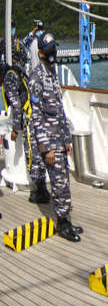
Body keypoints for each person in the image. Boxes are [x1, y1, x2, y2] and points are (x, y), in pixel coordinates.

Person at [28, 32, 82, 241]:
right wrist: (46, 147)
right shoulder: (36, 78)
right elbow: (36, 116)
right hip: (49, 142)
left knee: (63, 182)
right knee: (59, 184)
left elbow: (59, 110)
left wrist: (67, 139)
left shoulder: (52, 74)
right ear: (41, 53)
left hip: (59, 139)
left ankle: (65, 219)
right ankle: (63, 224)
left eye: (54, 50)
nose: (53, 54)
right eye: (49, 51)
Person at [4, 41, 47, 203]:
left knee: (33, 155)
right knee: (38, 152)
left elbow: (16, 105)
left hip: (29, 119)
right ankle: (42, 186)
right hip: (36, 115)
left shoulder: (9, 78)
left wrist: (16, 128)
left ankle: (40, 190)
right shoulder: (19, 72)